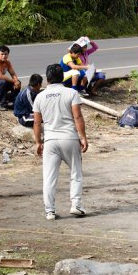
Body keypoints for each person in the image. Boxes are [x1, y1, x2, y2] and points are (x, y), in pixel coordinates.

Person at [33, 63, 88, 220]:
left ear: (47, 79)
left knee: (49, 177)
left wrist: (38, 142)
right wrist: (83, 136)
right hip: (69, 137)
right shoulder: (71, 93)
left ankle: (49, 210)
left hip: (50, 140)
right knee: (76, 172)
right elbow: (77, 116)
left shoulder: (40, 96)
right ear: (63, 77)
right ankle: (76, 205)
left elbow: (37, 123)